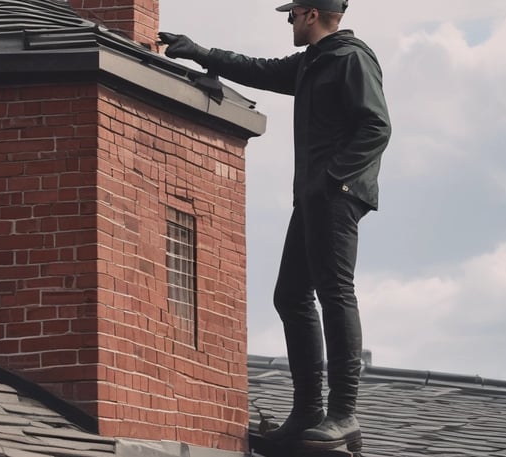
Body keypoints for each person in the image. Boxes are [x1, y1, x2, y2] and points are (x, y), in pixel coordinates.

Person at [159, 0, 391, 453]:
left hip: (335, 197)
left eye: (292, 13)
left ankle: (343, 413)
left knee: (335, 292)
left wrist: (333, 181)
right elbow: (260, 69)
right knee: (290, 295)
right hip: (313, 198)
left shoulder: (350, 58)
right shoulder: (314, 62)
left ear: (310, 14)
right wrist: (202, 53)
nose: (287, 20)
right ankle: (307, 413)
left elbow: (376, 127)